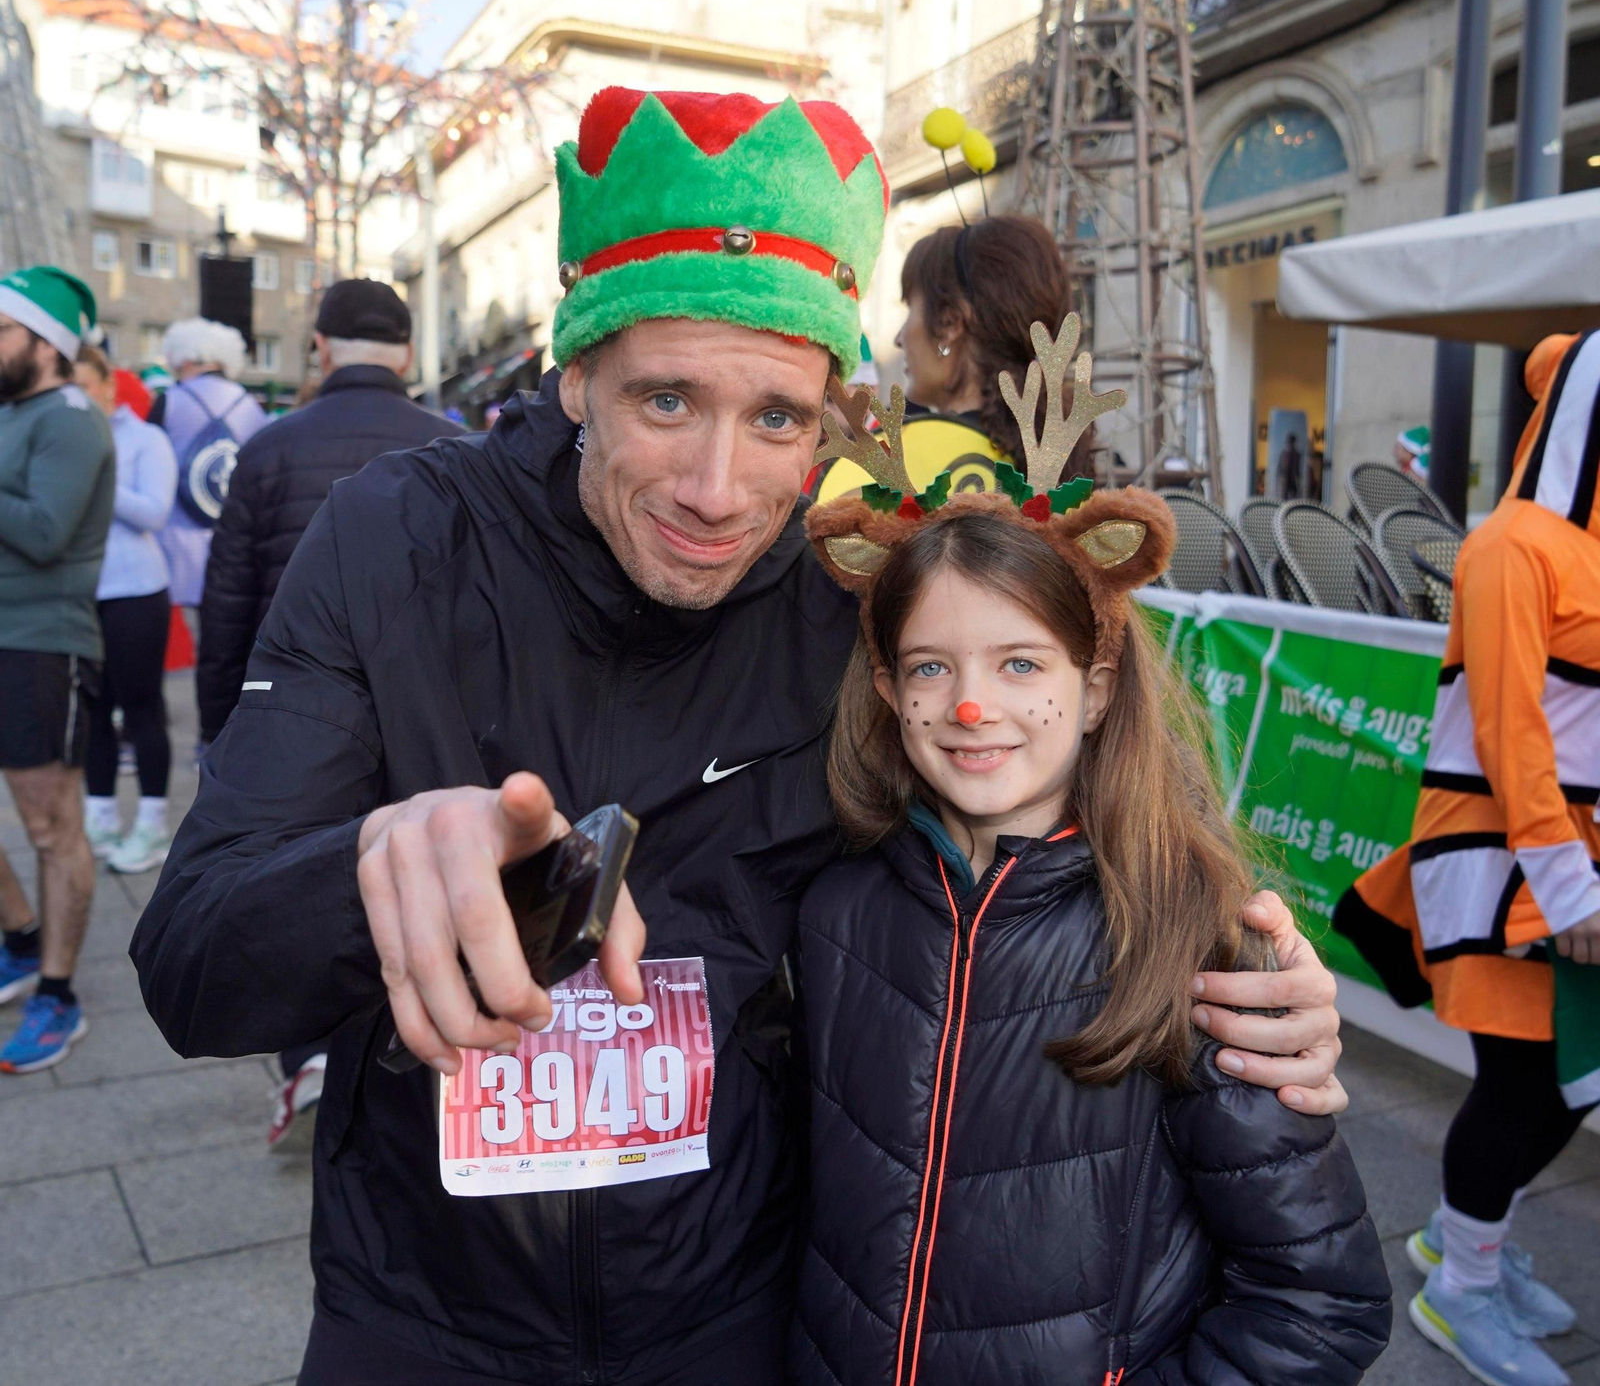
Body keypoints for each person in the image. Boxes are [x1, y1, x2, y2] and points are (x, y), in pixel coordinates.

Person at [133, 88, 1346, 1384]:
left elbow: (1066, 809)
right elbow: (192, 966)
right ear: (578, 373)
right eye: (665, 400)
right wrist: (369, 865)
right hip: (423, 1316)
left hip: (738, 1318)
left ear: (830, 408)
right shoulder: (396, 541)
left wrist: (1242, 977)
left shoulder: (850, 596)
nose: (719, 493)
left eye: (776, 418)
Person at [793, 424, 1390, 1378]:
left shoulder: (1187, 942)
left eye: (1021, 664)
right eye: (931, 667)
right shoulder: (834, 915)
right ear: (886, 687)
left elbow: (1320, 1301)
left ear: (1097, 689)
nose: (970, 706)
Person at [1336, 331, 1600, 1386]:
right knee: (1526, 1088)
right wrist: (1566, 881)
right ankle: (1458, 1288)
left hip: (1556, 869)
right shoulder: (1513, 545)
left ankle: (1462, 1243)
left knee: (1559, 1087)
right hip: (1505, 866)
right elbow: (1507, 727)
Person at [196, 277, 464, 1151]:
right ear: (409, 355)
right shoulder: (455, 446)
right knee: (405, 881)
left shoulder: (270, 449)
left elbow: (228, 600)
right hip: (424, 717)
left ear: (318, 349)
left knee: (314, 882)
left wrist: (219, 729)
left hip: (299, 720)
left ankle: (312, 1053)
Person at [0, 266, 115, 1073]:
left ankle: (58, 993)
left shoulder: (72, 418)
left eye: (2, 330)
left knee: (50, 828)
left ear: (45, 343)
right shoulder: (16, 413)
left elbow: (44, 533)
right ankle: (19, 939)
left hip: (42, 644)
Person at [72, 344, 179, 876]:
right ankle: (100, 817)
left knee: (140, 709)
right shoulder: (63, 438)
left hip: (136, 590)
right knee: (92, 709)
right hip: (82, 590)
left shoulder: (145, 438)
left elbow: (155, 513)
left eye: (86, 386)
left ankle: (153, 823)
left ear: (109, 387)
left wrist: (97, 477)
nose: (78, 397)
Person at [895, 214, 1076, 468]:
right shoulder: (1055, 459)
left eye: (910, 307)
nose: (898, 339)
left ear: (950, 324)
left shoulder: (912, 466)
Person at [151, 319, 267, 615]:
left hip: (175, 548)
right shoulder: (251, 406)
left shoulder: (169, 401)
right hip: (235, 547)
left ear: (186, 358)